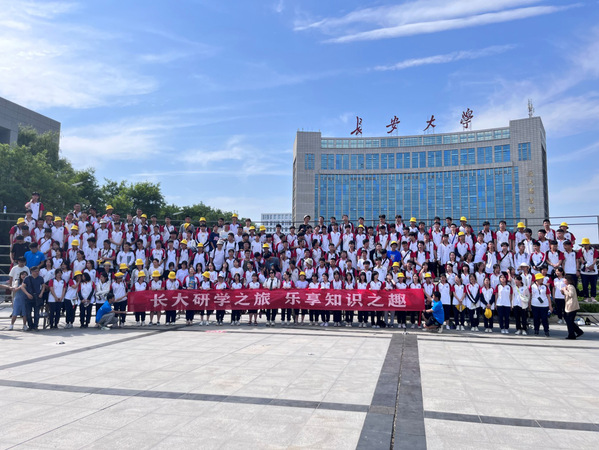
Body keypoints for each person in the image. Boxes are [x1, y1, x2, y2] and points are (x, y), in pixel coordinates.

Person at [22, 265, 46, 331]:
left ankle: (35, 326)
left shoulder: (40, 278)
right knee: (28, 313)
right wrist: (27, 294)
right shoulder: (27, 278)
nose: (37, 272)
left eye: (38, 271)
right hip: (29, 297)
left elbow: (43, 286)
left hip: (37, 297)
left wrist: (41, 293)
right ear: (32, 271)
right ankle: (30, 325)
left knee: (36, 313)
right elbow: (22, 287)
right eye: (35, 271)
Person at [562, 274, 584, 340]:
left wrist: (565, 290)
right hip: (569, 306)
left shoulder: (571, 286)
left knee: (569, 321)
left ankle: (572, 334)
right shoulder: (568, 286)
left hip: (572, 306)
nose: (564, 280)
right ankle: (578, 331)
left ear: (568, 280)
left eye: (565, 279)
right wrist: (563, 291)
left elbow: (570, 294)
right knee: (569, 321)